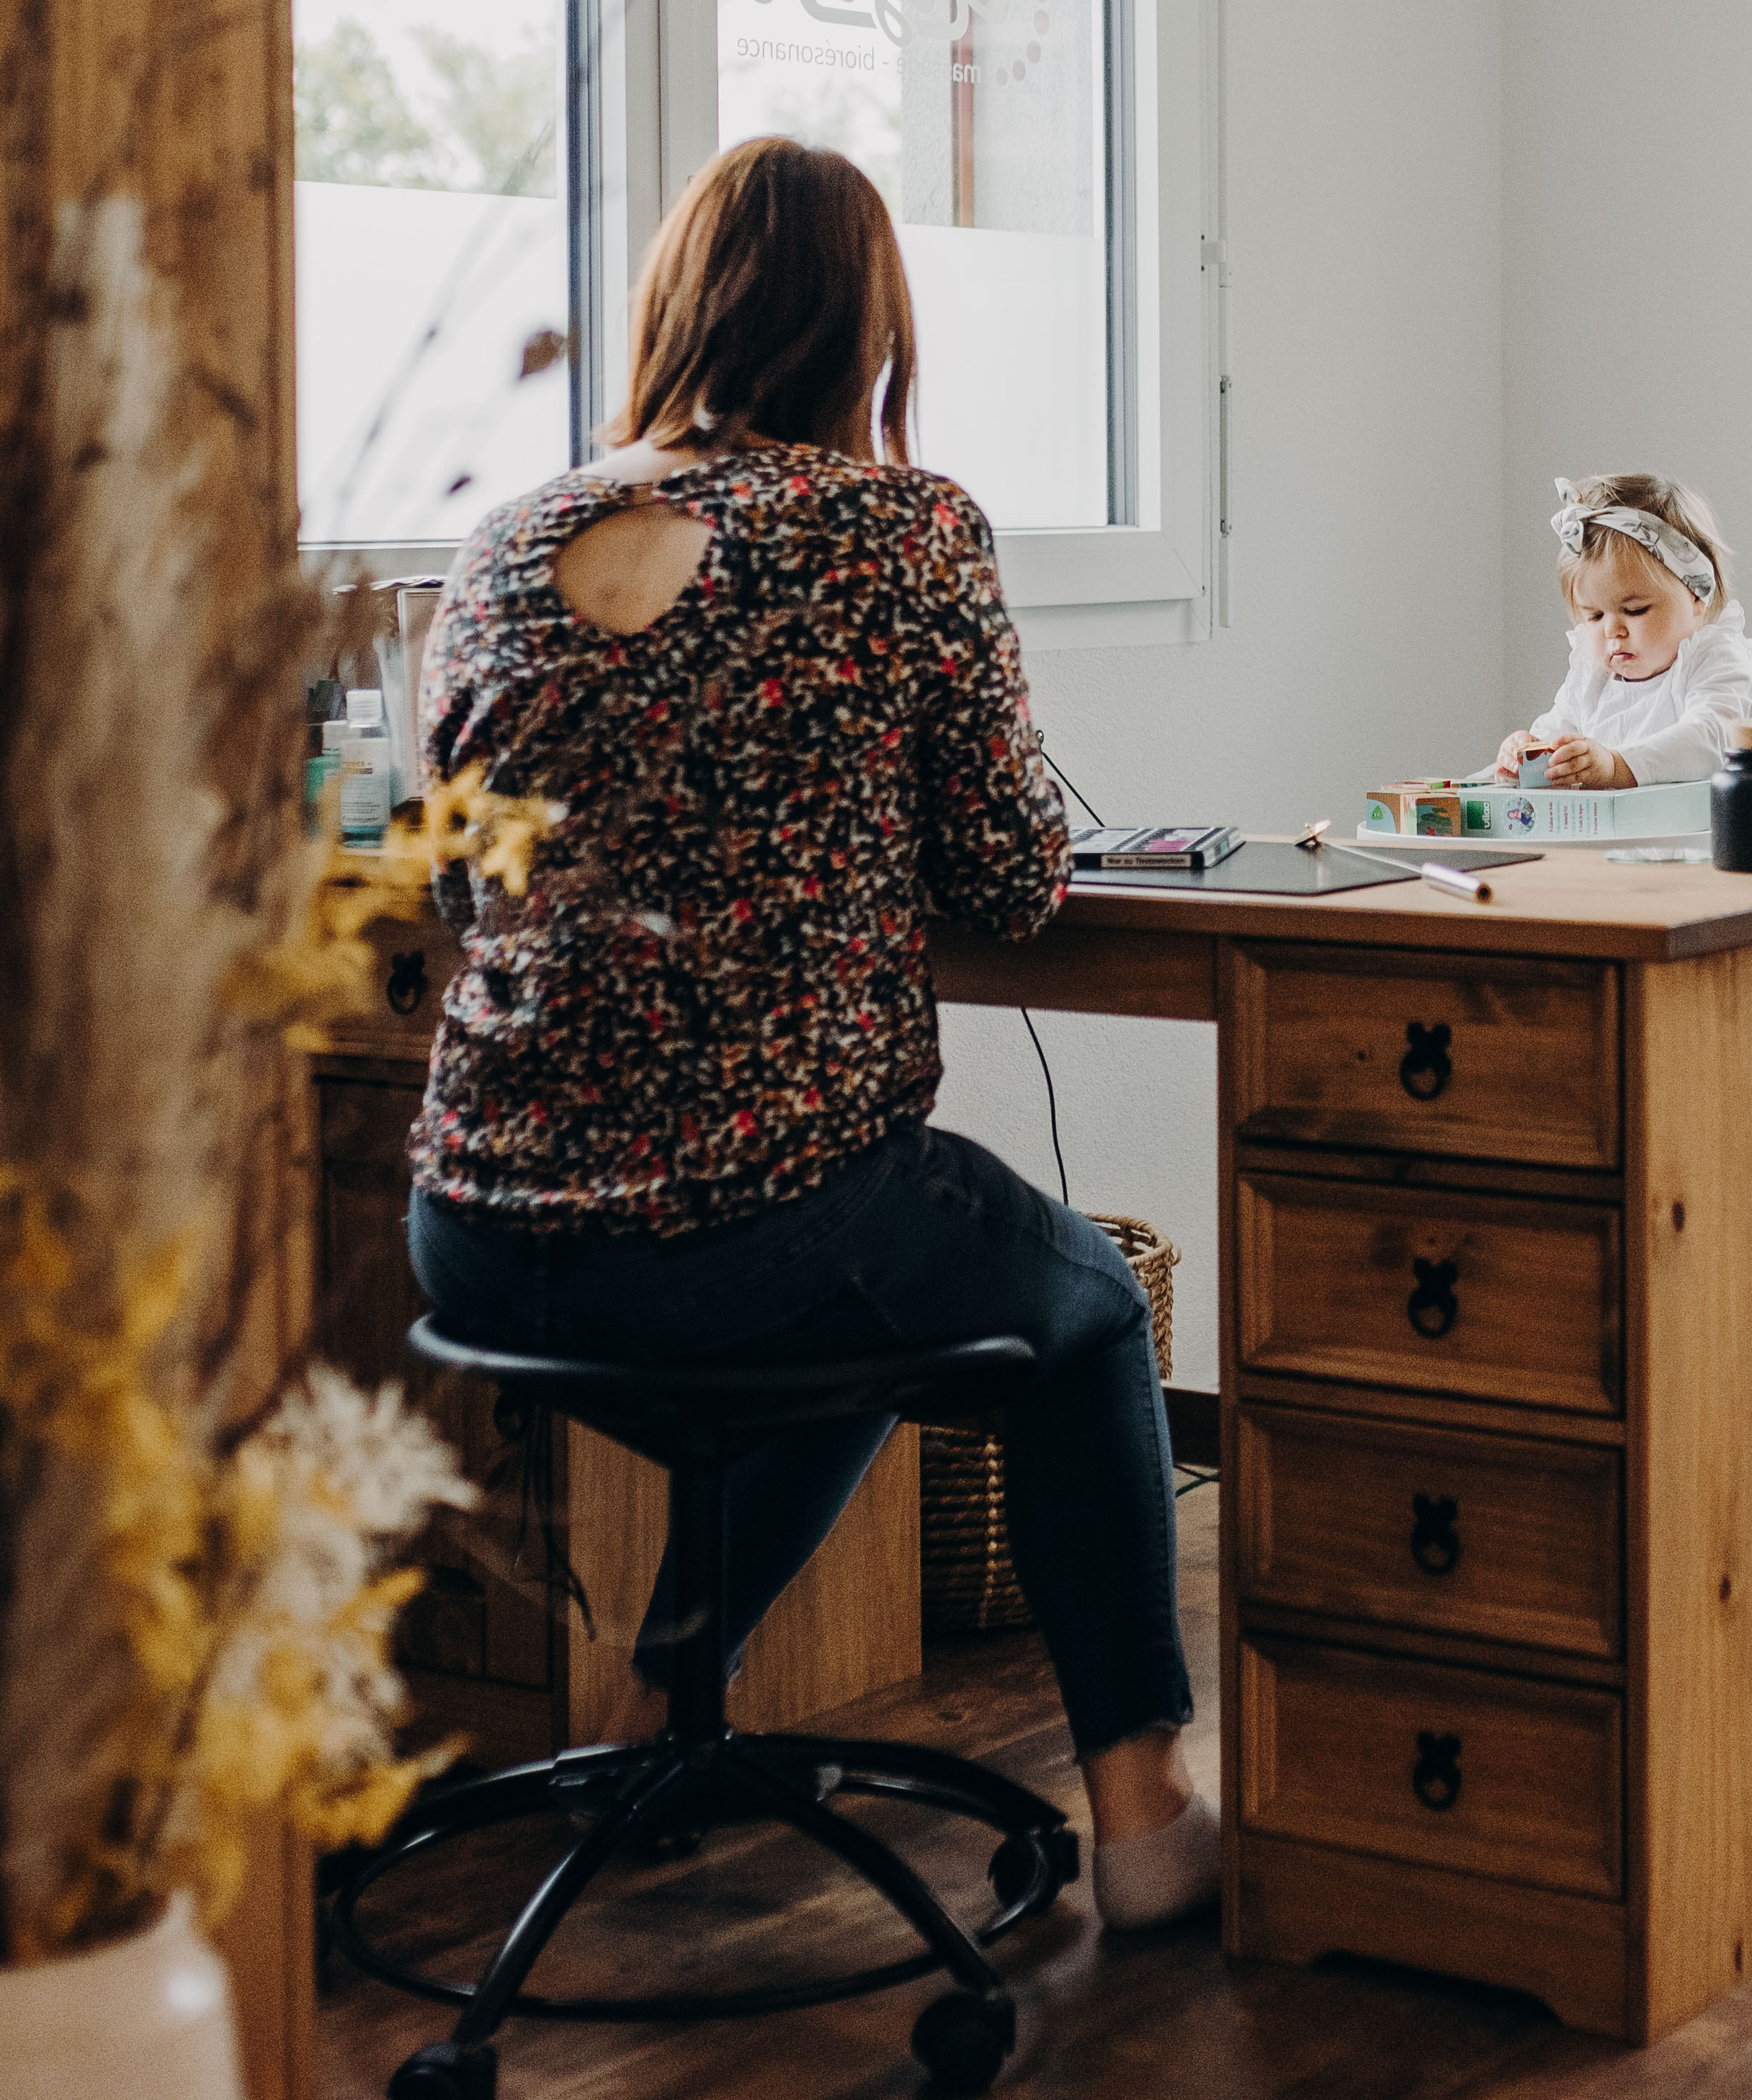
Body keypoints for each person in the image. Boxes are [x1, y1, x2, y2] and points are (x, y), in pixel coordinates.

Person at [404, 135, 1216, 1930]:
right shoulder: (898, 530)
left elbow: (460, 884)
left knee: (858, 1297)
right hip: (738, 1229)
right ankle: (1149, 1815)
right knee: (1077, 1306)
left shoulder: (508, 536)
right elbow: (1007, 873)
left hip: (476, 1236)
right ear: (869, 327)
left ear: (671, 309)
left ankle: (650, 1716)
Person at [1493, 471, 1752, 789]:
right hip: (1603, 823)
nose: (1613, 630)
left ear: (1697, 595)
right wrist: (1526, 754)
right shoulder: (1593, 679)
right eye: (1594, 616)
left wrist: (1615, 767)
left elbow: (1711, 739)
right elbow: (1556, 738)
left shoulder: (1714, 661)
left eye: (1635, 611)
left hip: (1693, 821)